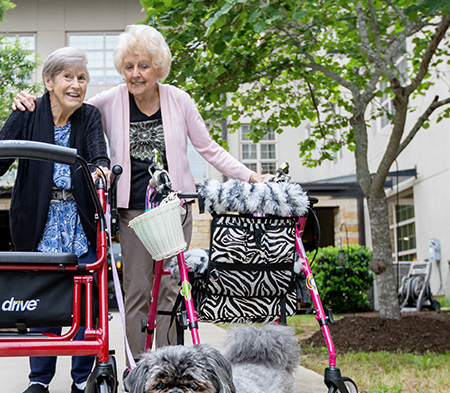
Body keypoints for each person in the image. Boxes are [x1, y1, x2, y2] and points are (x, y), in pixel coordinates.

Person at [14, 25, 267, 375]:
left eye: (144, 66)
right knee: (135, 292)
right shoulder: (107, 102)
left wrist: (249, 175)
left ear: (158, 68)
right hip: (131, 211)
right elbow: (68, 105)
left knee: (170, 289)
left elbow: (208, 148)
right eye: (129, 66)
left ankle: (168, 364)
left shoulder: (179, 100)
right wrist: (29, 102)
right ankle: (139, 366)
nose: (135, 74)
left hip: (173, 209)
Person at [0, 47, 109, 393]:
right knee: (40, 301)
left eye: (81, 78)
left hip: (79, 221)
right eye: (67, 77)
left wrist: (100, 171)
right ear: (49, 81)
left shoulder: (89, 117)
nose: (75, 84)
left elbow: (99, 157)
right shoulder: (28, 111)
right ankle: (40, 378)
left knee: (85, 302)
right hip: (38, 222)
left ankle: (83, 377)